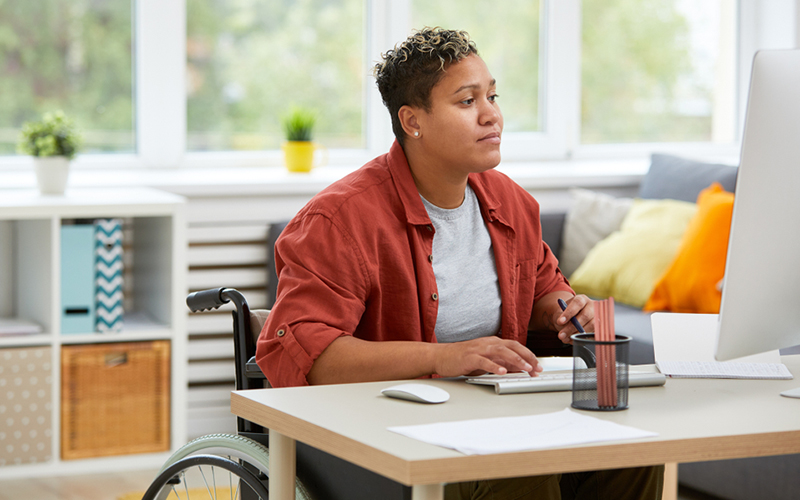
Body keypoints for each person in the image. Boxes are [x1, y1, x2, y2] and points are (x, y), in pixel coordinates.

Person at [256, 27, 663, 500]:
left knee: (633, 455)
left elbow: (540, 288)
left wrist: (566, 311)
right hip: (376, 432)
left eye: (492, 95)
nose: (492, 115)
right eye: (467, 101)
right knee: (520, 470)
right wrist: (445, 358)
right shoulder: (339, 220)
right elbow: (314, 358)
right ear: (413, 122)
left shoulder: (510, 203)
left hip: (492, 419)